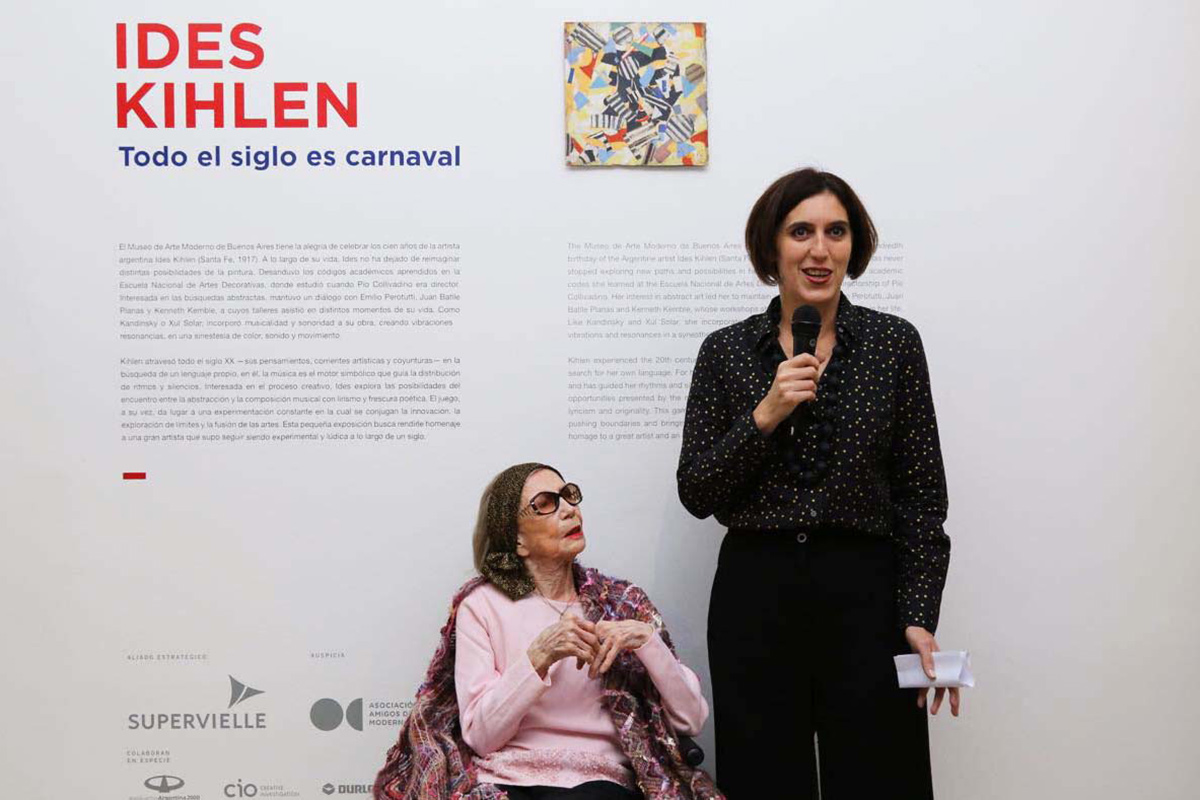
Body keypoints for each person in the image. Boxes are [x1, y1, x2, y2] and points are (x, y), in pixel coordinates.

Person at [677, 168, 960, 798]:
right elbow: (696, 492)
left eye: (836, 232)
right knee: (764, 778)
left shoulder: (893, 344)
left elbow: (921, 498)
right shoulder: (725, 352)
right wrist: (765, 415)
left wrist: (917, 615)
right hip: (757, 594)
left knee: (882, 775)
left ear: (854, 245)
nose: (820, 250)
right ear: (771, 246)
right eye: (800, 231)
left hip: (865, 594)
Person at [374, 462, 722, 800]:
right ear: (517, 540)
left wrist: (647, 642)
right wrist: (538, 657)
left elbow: (690, 720)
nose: (570, 509)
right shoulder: (481, 606)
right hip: (502, 782)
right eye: (545, 504)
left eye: (569, 495)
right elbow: (481, 737)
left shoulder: (621, 603)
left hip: (598, 780)